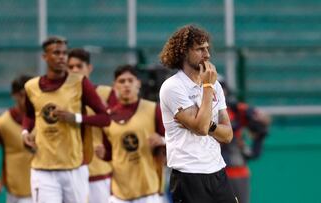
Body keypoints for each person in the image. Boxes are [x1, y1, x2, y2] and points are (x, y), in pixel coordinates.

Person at [21, 36, 111, 203]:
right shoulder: (31, 86)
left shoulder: (79, 83)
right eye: (56, 52)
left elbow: (105, 118)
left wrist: (75, 117)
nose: (62, 56)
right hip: (43, 168)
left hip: (73, 167)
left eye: (64, 53)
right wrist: (25, 132)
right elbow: (29, 115)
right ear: (44, 57)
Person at [159, 25, 237, 203]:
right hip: (189, 175)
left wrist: (207, 123)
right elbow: (201, 129)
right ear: (184, 52)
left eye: (207, 48)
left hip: (217, 171)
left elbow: (227, 135)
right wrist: (207, 87)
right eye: (200, 49)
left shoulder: (215, 84)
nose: (207, 54)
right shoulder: (173, 87)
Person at [97, 65, 166, 203]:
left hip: (149, 192)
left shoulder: (153, 109)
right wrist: (103, 154)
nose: (126, 85)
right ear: (114, 86)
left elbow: (172, 141)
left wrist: (162, 140)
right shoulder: (107, 117)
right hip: (119, 194)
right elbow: (110, 154)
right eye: (121, 81)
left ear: (138, 83)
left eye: (130, 80)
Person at [67, 48, 118, 203]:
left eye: (79, 66)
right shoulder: (61, 96)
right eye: (71, 67)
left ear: (89, 68)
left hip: (99, 171)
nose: (75, 70)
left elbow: (118, 126)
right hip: (69, 170)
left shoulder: (106, 93)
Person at [0, 75, 33, 203]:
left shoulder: (46, 118)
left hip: (46, 188)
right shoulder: (2, 123)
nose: (27, 98)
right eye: (23, 94)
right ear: (14, 95)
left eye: (31, 93)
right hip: (17, 193)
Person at [219, 77, 270, 203]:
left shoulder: (234, 109)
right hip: (212, 171)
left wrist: (257, 121)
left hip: (236, 169)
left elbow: (262, 120)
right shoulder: (201, 109)